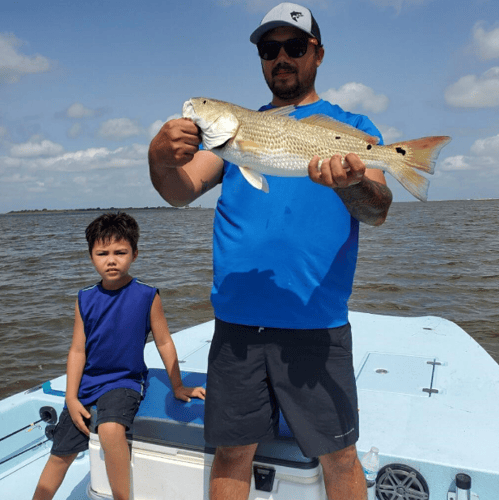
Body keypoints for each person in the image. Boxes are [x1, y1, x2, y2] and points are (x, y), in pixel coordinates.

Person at [148, 3, 392, 499]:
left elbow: (377, 209)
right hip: (238, 328)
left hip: (316, 326)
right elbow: (178, 192)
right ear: (260, 59)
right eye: (269, 48)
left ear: (318, 54)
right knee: (233, 453)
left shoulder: (352, 125)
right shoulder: (234, 135)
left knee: (340, 457)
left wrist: (348, 185)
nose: (281, 57)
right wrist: (156, 158)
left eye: (295, 46)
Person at [32, 212, 206, 500]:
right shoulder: (84, 297)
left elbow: (164, 342)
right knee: (60, 452)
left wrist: (177, 385)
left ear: (134, 254)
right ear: (91, 257)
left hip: (124, 381)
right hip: (88, 384)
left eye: (120, 252)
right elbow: (77, 350)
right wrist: (71, 398)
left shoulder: (147, 295)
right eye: (102, 253)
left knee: (111, 429)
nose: (111, 260)